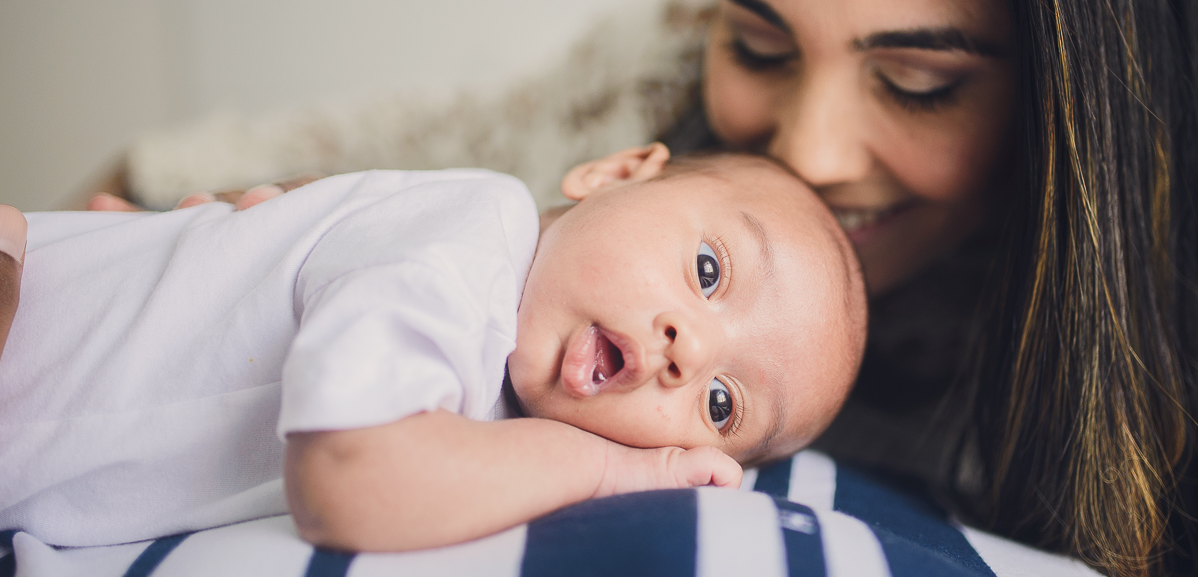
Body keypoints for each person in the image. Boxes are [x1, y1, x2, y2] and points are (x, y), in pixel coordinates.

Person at [78, 0, 1198, 573]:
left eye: (915, 81)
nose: (806, 152)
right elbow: (187, 166)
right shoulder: (647, 83)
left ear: (1078, 91)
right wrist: (233, 242)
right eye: (758, 47)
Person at [0, 145, 867, 551]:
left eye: (722, 403)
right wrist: (604, 470)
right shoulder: (474, 231)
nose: (690, 351)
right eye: (708, 268)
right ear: (614, 173)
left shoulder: (487, 407)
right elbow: (349, 480)